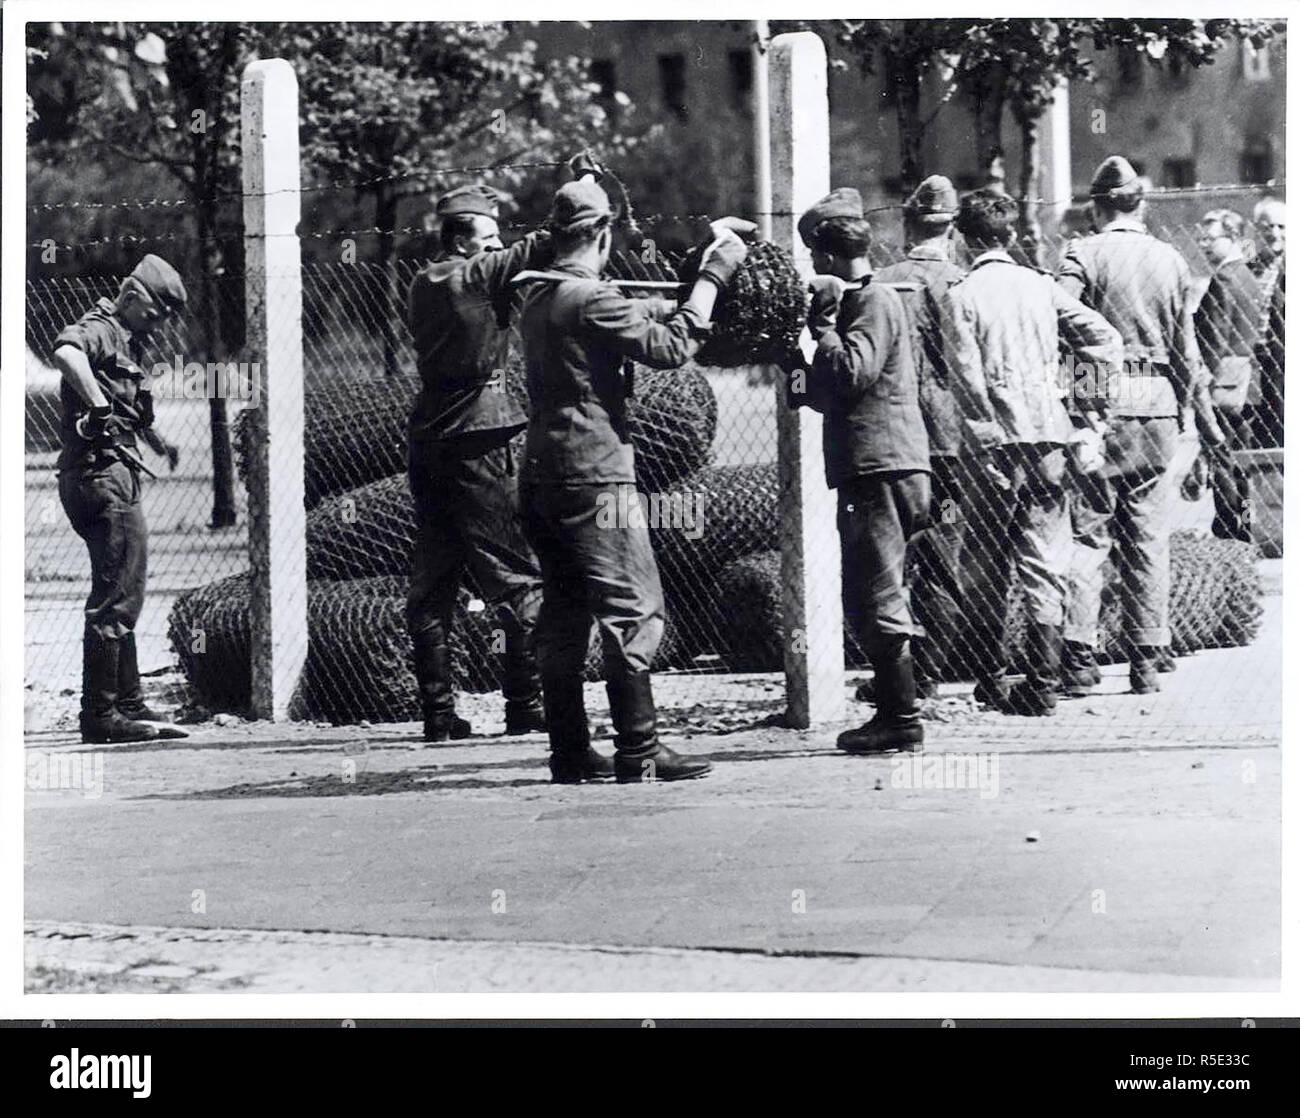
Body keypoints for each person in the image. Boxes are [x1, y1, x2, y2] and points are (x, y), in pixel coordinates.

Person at [517, 178, 751, 783]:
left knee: (564, 614)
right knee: (634, 609)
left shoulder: (543, 297)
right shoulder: (589, 301)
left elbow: (620, 314)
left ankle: (568, 752)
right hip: (596, 477)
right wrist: (714, 276)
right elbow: (672, 348)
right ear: (601, 233)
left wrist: (675, 288)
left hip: (543, 476)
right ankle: (640, 750)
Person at [404, 157, 602, 744]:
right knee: (518, 577)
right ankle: (529, 705)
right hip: (482, 438)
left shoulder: (425, 282)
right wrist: (584, 190)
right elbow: (546, 244)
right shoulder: (472, 276)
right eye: (488, 239)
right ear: (462, 241)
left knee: (433, 583)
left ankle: (439, 716)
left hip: (431, 439)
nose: (499, 248)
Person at [941, 189, 1122, 716]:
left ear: (963, 239)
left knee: (983, 560)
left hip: (991, 445)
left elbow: (966, 376)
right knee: (1045, 558)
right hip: (1049, 439)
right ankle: (1043, 681)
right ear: (1012, 237)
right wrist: (1089, 410)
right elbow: (1104, 338)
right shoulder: (1041, 286)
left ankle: (993, 676)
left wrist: (987, 438)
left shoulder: (962, 295)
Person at [1056, 157, 1224, 694]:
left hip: (1097, 398)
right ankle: (1148, 656)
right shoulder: (1170, 259)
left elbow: (1061, 321)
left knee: (1088, 534)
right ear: (1140, 204)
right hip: (1156, 402)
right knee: (1148, 536)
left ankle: (1080, 658)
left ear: (1097, 207)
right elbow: (1186, 349)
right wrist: (1200, 417)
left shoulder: (1082, 254)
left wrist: (1080, 394)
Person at [788, 188, 930, 753]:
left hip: (882, 468)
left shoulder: (872, 302)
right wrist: (791, 362)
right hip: (879, 465)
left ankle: (901, 718)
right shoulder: (861, 304)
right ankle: (898, 712)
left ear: (824, 256)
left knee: (877, 594)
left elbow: (852, 374)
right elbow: (824, 395)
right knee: (870, 592)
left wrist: (821, 328)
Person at [54, 254, 189, 744]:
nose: (158, 325)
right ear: (132, 297)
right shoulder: (103, 328)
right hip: (100, 477)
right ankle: (101, 716)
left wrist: (159, 445)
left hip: (112, 474)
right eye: (154, 314)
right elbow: (67, 353)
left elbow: (136, 415)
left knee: (125, 583)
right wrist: (98, 403)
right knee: (116, 596)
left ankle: (128, 702)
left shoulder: (129, 339)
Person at [856, 175, 964, 705]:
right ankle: (930, 672)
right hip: (948, 438)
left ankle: (894, 676)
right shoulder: (963, 282)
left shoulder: (881, 281)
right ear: (952, 227)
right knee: (943, 556)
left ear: (907, 223)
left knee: (888, 561)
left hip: (895, 437)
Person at [1194, 208, 1262, 543]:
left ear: (1233, 238)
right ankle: (1248, 525)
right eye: (1201, 239)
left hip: (1224, 386)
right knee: (1244, 466)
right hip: (1249, 385)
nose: (1203, 246)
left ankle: (1226, 529)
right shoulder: (1247, 275)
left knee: (1221, 460)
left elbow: (1215, 342)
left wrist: (1203, 384)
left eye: (1210, 239)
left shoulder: (1222, 279)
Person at [1249, 197, 1285, 448]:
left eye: (1282, 227)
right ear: (1256, 229)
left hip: (1282, 361)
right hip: (1252, 359)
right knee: (1257, 427)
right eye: (1268, 226)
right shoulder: (1249, 269)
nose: (1274, 233)